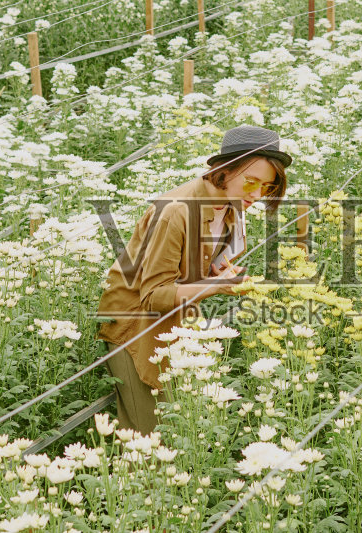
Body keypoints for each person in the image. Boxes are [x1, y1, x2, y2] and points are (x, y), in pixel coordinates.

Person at [96, 125, 291, 433]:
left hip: (177, 318)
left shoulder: (230, 202)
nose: (257, 195)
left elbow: (191, 262)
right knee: (148, 436)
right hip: (137, 326)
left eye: (266, 187)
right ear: (225, 171)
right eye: (251, 182)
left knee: (180, 425)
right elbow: (154, 297)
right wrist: (216, 286)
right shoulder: (175, 212)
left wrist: (212, 270)